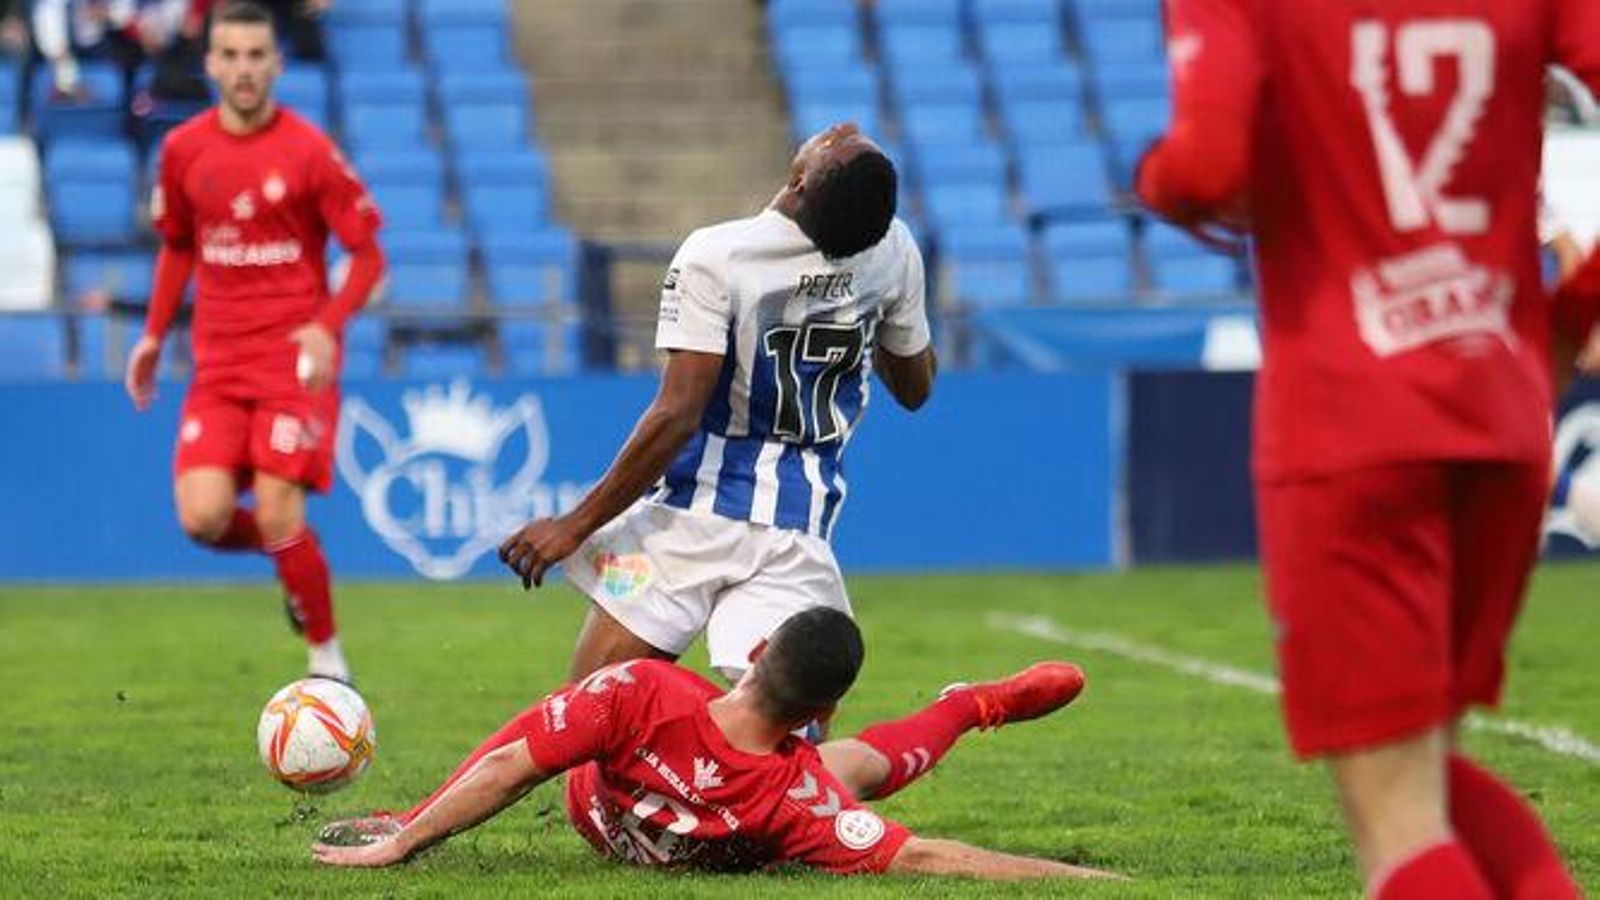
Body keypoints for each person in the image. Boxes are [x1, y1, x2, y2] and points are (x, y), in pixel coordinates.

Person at [1136, 1, 1600, 897]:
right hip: (1500, 411)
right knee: (1425, 774)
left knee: (1397, 821)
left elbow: (1202, 168)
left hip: (1352, 420)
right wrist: (1574, 311)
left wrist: (1156, 181)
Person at [499, 122, 937, 687]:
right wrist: (870, 313)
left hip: (691, 516)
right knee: (782, 740)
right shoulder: (893, 250)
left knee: (585, 720)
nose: (842, 128)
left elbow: (677, 413)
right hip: (797, 526)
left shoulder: (717, 254)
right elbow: (916, 388)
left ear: (800, 181)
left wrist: (574, 525)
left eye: (838, 141)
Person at [312, 608, 1116, 881]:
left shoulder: (640, 687)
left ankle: (979, 704)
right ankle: (968, 708)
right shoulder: (797, 797)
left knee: (851, 775)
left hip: (596, 817)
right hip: (750, 804)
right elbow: (929, 858)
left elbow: (511, 762)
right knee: (858, 770)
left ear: (757, 650)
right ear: (824, 706)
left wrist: (406, 838)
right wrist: (1088, 877)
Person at [124, 0, 384, 684]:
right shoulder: (183, 151)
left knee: (275, 506)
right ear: (210, 62)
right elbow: (178, 246)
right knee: (203, 519)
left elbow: (367, 256)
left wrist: (326, 327)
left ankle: (327, 663)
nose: (243, 69)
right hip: (219, 363)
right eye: (230, 55)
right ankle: (294, 551)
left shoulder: (308, 151)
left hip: (293, 364)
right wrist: (152, 337)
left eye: (255, 56)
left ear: (276, 62)